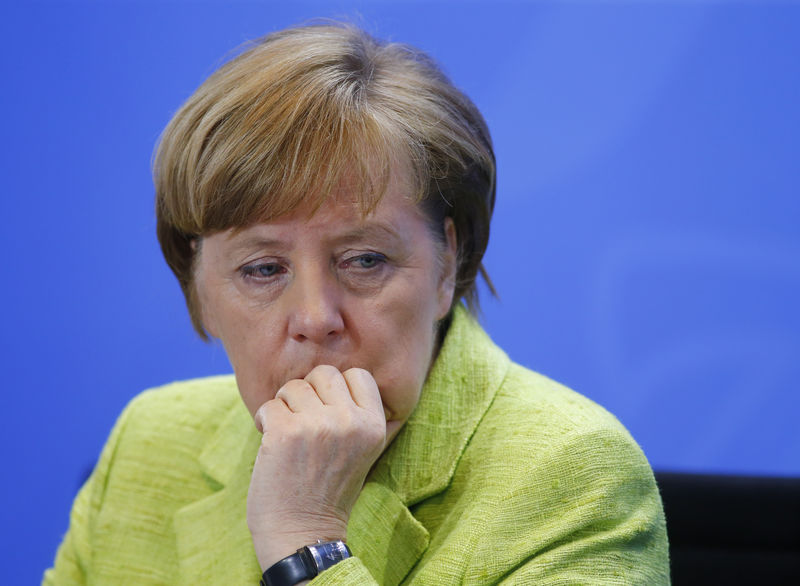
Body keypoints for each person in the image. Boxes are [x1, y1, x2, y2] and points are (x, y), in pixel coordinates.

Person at [43, 22, 670, 585]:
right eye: (263, 269)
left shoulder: (573, 474)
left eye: (364, 260)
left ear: (448, 262)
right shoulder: (150, 443)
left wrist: (306, 542)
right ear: (197, 286)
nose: (316, 318)